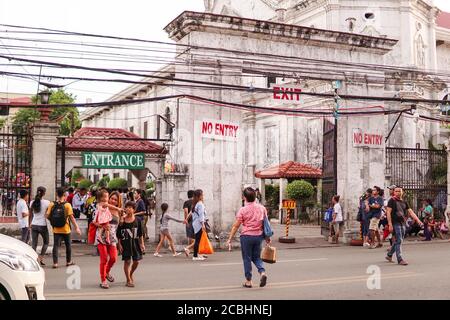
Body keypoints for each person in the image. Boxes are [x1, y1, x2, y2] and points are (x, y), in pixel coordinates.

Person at [227, 187, 270, 288]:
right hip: (258, 236)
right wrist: (267, 237)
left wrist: (230, 238)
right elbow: (265, 223)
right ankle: (262, 272)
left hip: (246, 236)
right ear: (255, 196)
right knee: (257, 257)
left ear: (244, 197)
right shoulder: (262, 208)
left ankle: (248, 281)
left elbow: (236, 225)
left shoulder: (242, 210)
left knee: (247, 258)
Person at [385, 187, 424, 266]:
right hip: (395, 223)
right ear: (394, 192)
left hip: (403, 223)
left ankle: (389, 254)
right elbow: (388, 212)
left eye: (399, 191)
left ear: (402, 192)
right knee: (399, 240)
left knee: (399, 240)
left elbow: (411, 212)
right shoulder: (391, 200)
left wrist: (418, 220)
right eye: (396, 191)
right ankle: (400, 259)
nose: (398, 192)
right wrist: (390, 224)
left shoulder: (404, 201)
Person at [93, 190, 122, 289]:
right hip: (102, 237)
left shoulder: (118, 212)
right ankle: (103, 280)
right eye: (111, 198)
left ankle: (106, 272)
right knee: (104, 258)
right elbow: (94, 222)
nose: (113, 201)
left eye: (115, 199)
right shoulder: (103, 208)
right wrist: (102, 226)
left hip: (113, 238)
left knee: (113, 258)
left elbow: (119, 227)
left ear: (118, 201)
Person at [46, 187, 81, 268]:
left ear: (56, 194)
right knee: (68, 245)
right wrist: (77, 228)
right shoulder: (67, 205)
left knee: (56, 246)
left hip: (56, 229)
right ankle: (68, 262)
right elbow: (71, 218)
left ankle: (55, 263)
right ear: (64, 195)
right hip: (66, 229)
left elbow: (47, 215)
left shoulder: (52, 204)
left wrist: (52, 222)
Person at [116, 201, 145, 288]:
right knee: (127, 261)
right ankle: (128, 280)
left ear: (134, 209)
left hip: (135, 243)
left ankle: (131, 273)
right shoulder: (122, 221)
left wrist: (142, 244)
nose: (128, 209)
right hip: (125, 244)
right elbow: (119, 234)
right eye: (127, 207)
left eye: (130, 207)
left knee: (136, 261)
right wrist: (119, 245)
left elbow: (140, 234)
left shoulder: (138, 220)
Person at [30, 187, 50, 266]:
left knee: (34, 244)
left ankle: (34, 260)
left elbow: (30, 214)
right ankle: (41, 258)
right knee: (46, 242)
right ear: (44, 193)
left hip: (34, 224)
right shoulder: (47, 202)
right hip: (42, 225)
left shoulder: (32, 202)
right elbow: (48, 214)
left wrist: (29, 224)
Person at [191, 189, 207, 261]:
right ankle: (195, 256)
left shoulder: (196, 204)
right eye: (202, 195)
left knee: (198, 239)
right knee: (198, 240)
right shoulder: (200, 204)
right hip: (199, 224)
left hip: (195, 223)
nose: (203, 196)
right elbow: (201, 215)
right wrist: (203, 224)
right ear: (199, 196)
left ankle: (198, 254)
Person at [183, 190, 195, 255]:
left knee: (190, 236)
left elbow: (185, 211)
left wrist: (186, 220)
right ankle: (190, 249)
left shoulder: (186, 202)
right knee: (194, 236)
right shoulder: (195, 202)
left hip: (189, 221)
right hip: (195, 220)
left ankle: (189, 249)